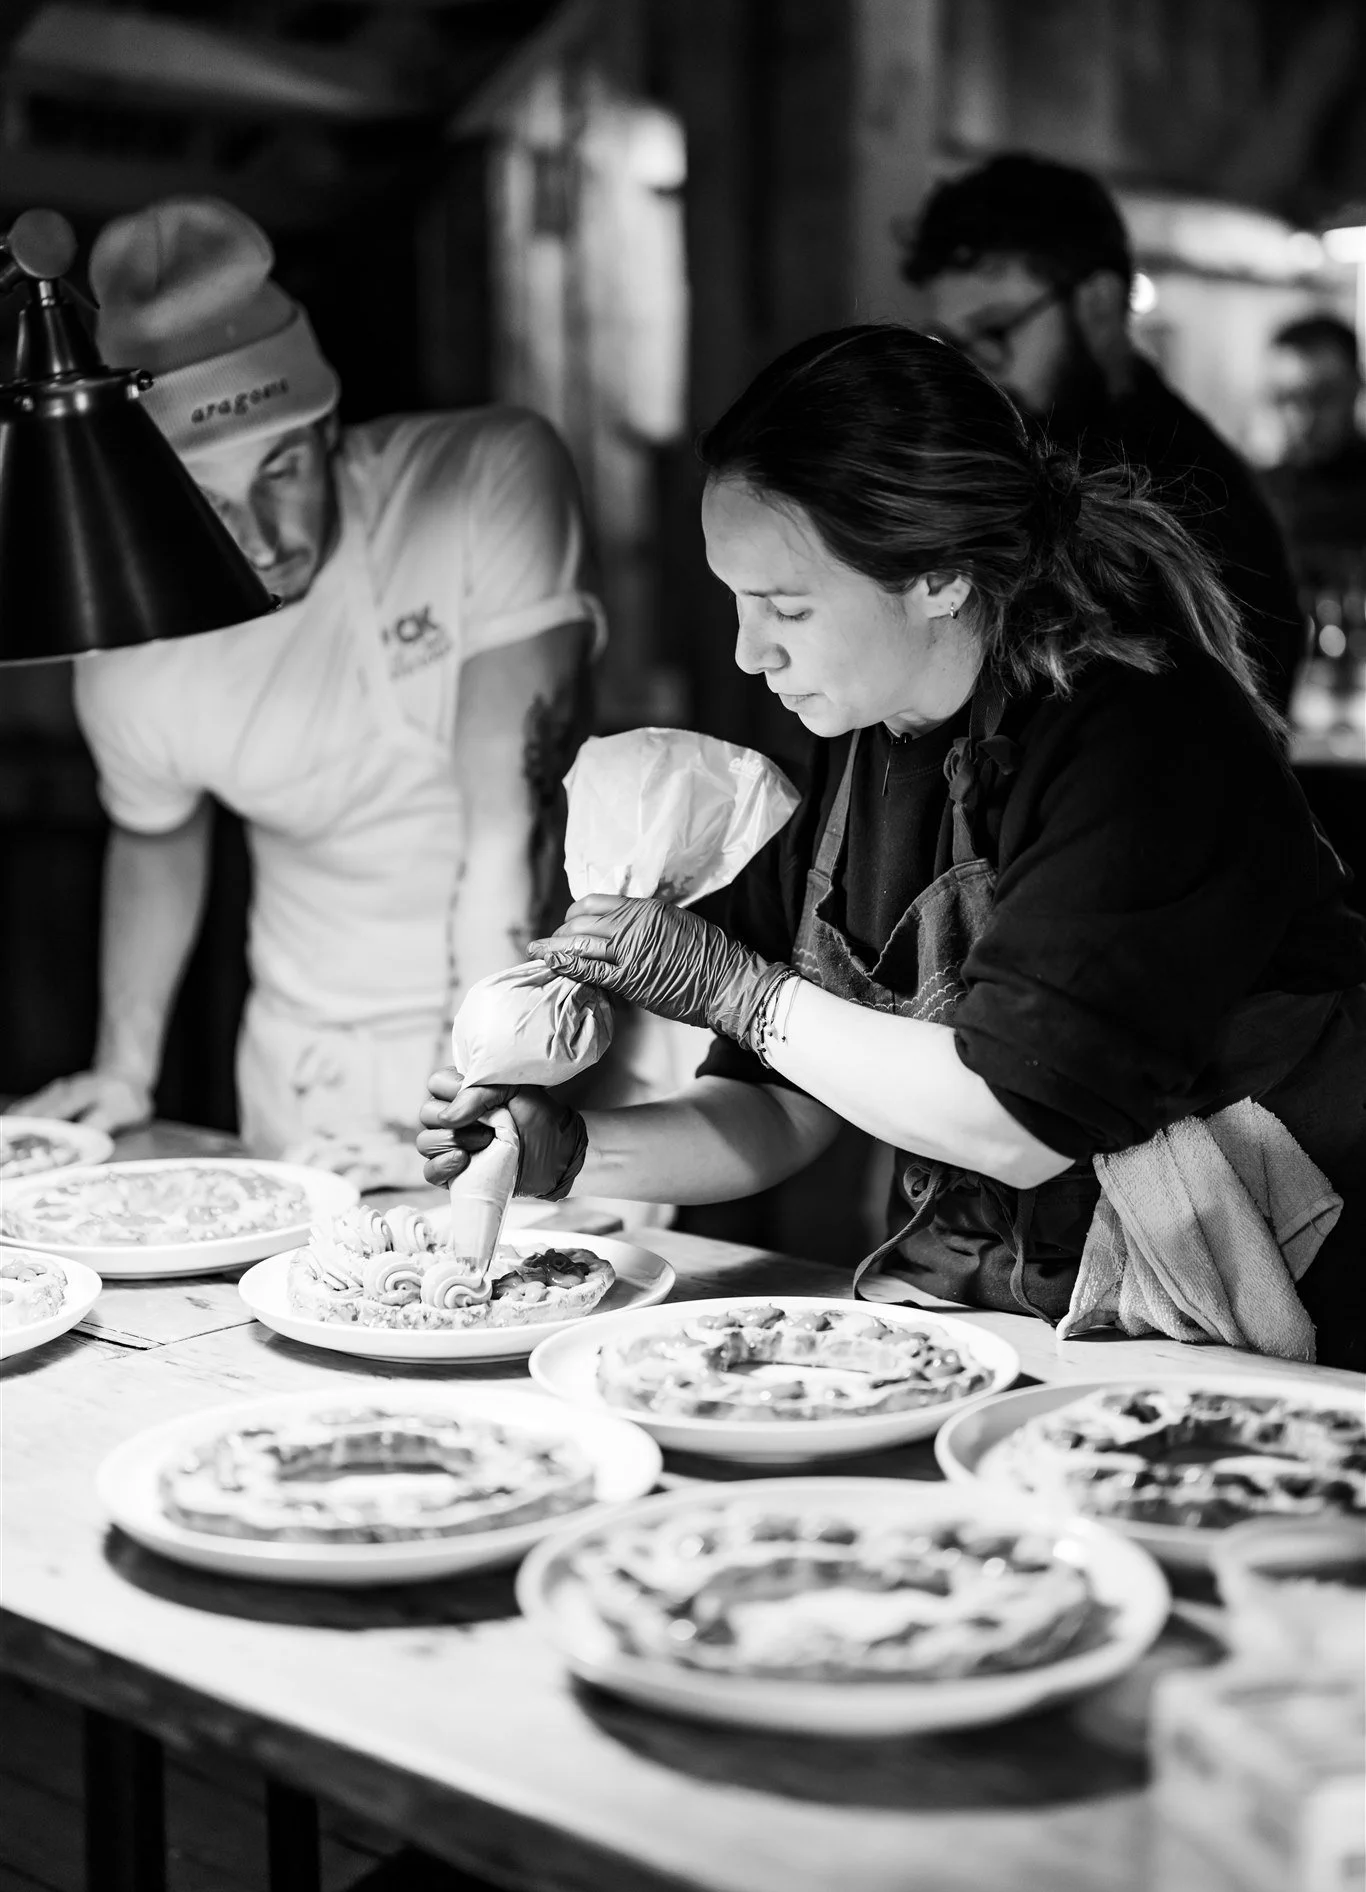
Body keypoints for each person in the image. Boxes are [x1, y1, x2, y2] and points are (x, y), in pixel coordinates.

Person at [419, 326, 1366, 1366]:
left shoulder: (1137, 732)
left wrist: (746, 994)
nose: (747, 650)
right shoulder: (866, 740)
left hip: (1259, 1312)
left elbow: (1015, 1115)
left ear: (939, 577)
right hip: (1030, 1306)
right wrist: (572, 1152)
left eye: (786, 606)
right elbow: (783, 1105)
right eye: (736, 599)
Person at [20, 198, 600, 1170]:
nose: (262, 532)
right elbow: (156, 832)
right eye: (207, 497)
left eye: (283, 464)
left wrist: (481, 1089)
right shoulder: (127, 652)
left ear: (329, 421)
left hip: (536, 1019)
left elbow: (505, 831)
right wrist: (124, 1068)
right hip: (308, 1066)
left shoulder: (484, 479)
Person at [900, 153, 1305, 709]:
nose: (975, 370)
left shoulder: (1191, 496)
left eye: (996, 329)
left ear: (1099, 303)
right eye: (951, 342)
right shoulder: (1002, 465)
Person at [1261, 314, 1366, 594]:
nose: (1303, 417)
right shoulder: (1257, 495)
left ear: (1356, 388)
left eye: (1323, 396)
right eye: (1286, 398)